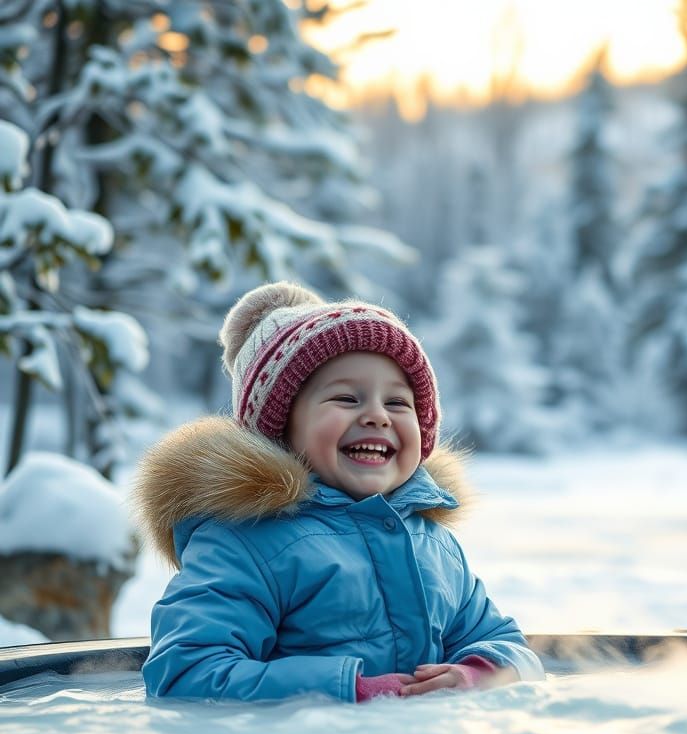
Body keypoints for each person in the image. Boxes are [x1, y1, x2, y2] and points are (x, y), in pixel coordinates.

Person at [134, 281, 544, 701]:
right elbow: (184, 673)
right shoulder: (247, 541)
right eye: (347, 398)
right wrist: (348, 690)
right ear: (278, 428)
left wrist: (478, 672)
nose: (377, 416)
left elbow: (506, 644)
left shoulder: (431, 542)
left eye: (398, 403)